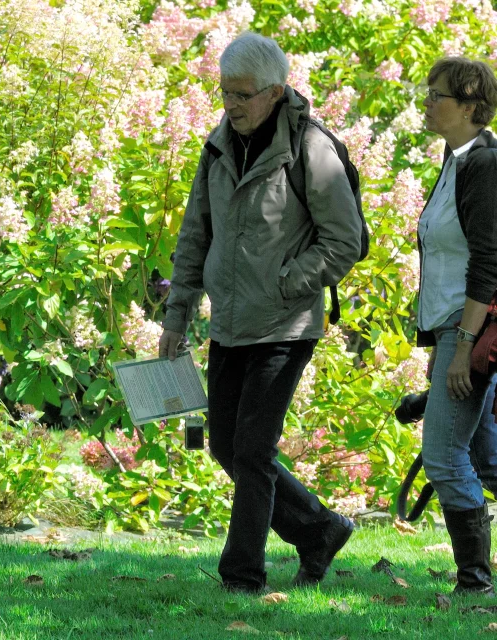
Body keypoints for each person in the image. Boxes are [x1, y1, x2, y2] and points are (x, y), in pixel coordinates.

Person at [158, 32, 362, 594]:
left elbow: (344, 241)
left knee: (252, 449)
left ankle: (241, 575)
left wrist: (284, 284)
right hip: (228, 323)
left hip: (283, 323)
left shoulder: (310, 149)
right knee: (224, 445)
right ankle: (319, 528)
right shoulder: (217, 145)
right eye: (225, 93)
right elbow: (195, 233)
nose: (232, 105)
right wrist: (176, 317)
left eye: (243, 95)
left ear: (275, 92)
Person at [417, 56, 497, 595]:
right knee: (482, 457)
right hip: (450, 326)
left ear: (470, 107)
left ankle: (474, 583)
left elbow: (488, 261)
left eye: (437, 95)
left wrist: (463, 342)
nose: (427, 102)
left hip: (467, 329)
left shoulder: (484, 165)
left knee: (443, 455)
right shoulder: (454, 160)